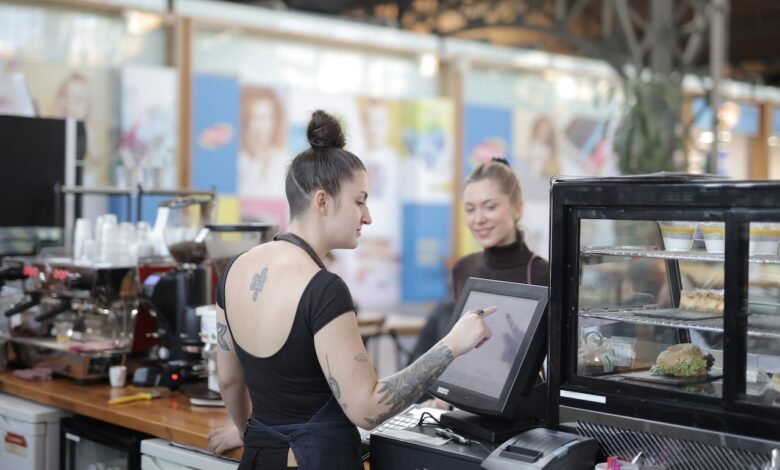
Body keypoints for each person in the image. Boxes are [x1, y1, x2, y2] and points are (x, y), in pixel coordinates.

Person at [213, 110, 497, 469]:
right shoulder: (322, 288)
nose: (368, 216)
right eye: (360, 200)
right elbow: (367, 408)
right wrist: (451, 346)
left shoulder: (234, 270)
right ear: (322, 202)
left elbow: (228, 379)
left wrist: (247, 431)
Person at [407, 158, 549, 407]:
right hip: (464, 407)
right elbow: (463, 348)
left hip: (520, 411)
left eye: (490, 206)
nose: (478, 218)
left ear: (517, 208)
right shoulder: (463, 268)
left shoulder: (543, 274)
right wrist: (444, 399)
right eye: (470, 209)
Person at [237, 86, 289, 198]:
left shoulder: (283, 160)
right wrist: (255, 158)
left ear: (275, 121)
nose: (261, 126)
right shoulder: (241, 161)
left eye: (266, 118)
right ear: (246, 122)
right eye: (254, 117)